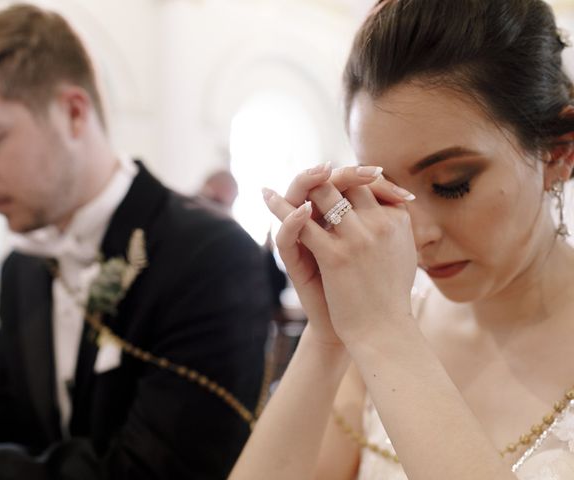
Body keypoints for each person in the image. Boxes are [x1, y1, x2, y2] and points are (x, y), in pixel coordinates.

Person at [229, 1, 574, 479]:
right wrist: (328, 334)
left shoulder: (385, 329)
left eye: (452, 183)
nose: (417, 236)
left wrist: (386, 336)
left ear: (558, 153)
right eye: (387, 193)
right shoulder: (381, 322)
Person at [0, 4, 271, 479]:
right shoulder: (24, 266)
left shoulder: (209, 255)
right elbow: (3, 417)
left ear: (73, 113)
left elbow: (155, 470)